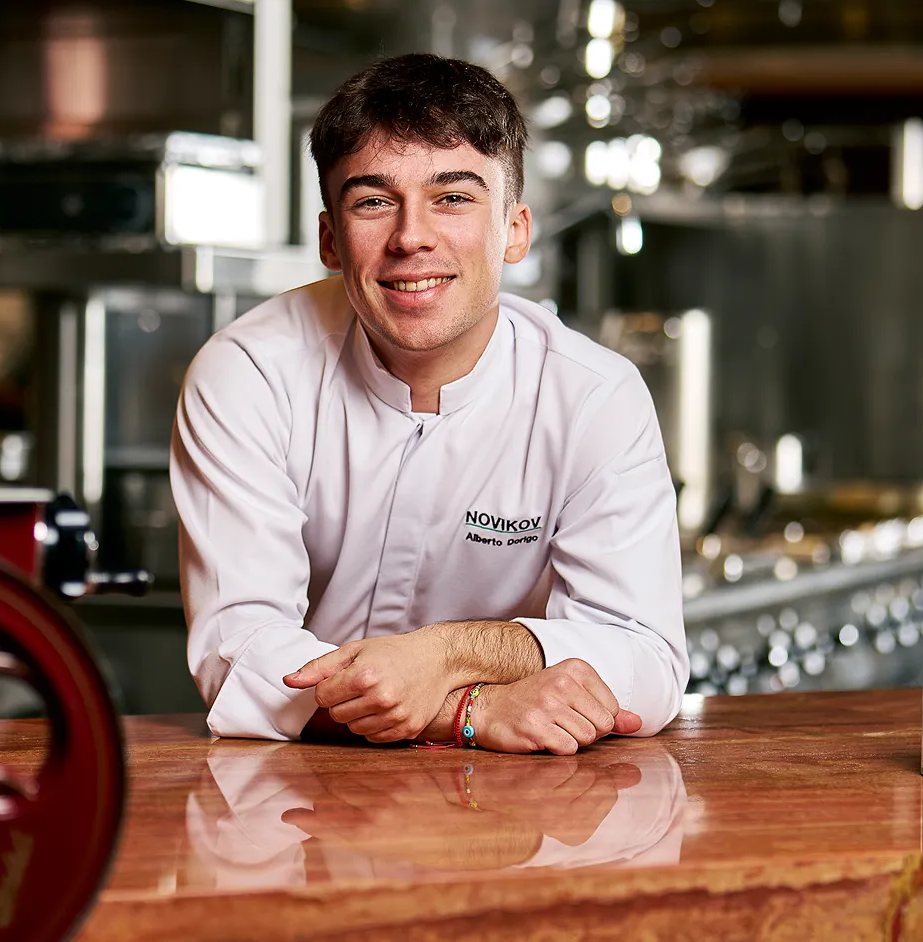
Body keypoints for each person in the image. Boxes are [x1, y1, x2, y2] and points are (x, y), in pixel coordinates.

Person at [170, 52, 685, 754]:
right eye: (373, 201)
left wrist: (446, 656)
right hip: (295, 803)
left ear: (515, 230)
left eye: (453, 197)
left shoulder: (595, 397)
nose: (412, 237)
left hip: (519, 819)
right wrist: (468, 709)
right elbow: (240, 655)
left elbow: (646, 657)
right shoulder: (247, 375)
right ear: (329, 238)